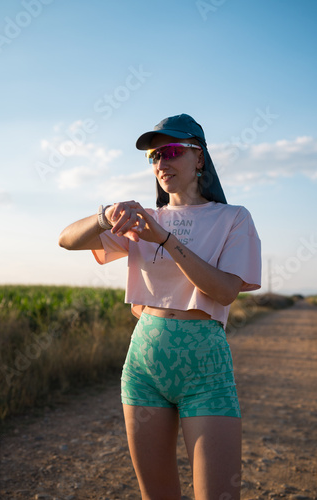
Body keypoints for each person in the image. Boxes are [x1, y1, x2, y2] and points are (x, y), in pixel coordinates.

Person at [58, 113, 262, 500]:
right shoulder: (142, 220)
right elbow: (66, 240)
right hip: (143, 369)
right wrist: (105, 216)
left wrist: (165, 239)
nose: (161, 163)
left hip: (205, 370)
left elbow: (224, 291)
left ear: (199, 158)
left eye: (171, 151)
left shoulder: (233, 218)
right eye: (154, 156)